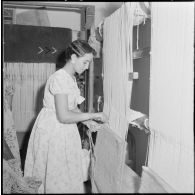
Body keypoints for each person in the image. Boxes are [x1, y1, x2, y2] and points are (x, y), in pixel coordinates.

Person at [24, 40, 108, 193]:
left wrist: (88, 121)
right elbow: (63, 116)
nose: (87, 67)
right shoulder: (60, 78)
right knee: (56, 175)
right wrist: (93, 114)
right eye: (85, 62)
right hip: (54, 132)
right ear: (74, 58)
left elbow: (72, 107)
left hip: (62, 130)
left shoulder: (70, 78)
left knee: (63, 174)